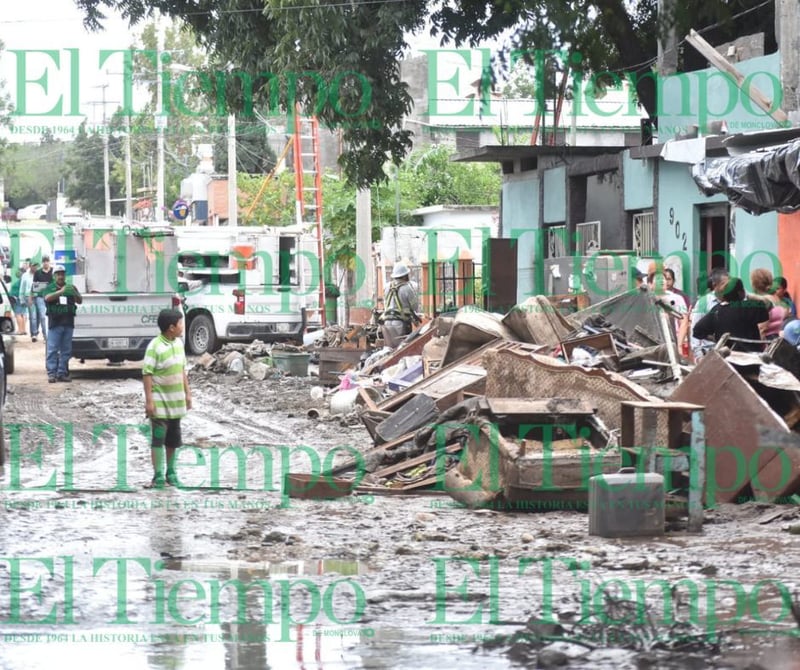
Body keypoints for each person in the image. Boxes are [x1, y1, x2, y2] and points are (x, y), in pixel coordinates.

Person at [142, 309, 192, 488]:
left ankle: (171, 472)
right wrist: (149, 401)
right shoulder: (155, 346)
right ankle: (158, 476)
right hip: (160, 402)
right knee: (158, 438)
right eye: (180, 324)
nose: (182, 327)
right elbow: (147, 373)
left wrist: (188, 393)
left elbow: (182, 370)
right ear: (171, 328)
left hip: (176, 401)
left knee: (173, 439)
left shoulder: (178, 344)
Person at [693, 276, 770, 353]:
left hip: (726, 357)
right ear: (740, 292)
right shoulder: (753, 307)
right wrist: (750, 296)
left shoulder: (717, 311)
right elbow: (769, 305)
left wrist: (718, 339)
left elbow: (697, 331)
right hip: (753, 357)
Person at [44, 264, 83, 382]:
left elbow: (80, 300)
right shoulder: (49, 287)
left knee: (66, 351)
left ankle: (62, 373)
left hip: (68, 323)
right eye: (58, 274)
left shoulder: (71, 287)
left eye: (62, 274)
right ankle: (51, 373)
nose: (61, 276)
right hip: (55, 324)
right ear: (54, 276)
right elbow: (47, 298)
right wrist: (61, 292)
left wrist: (74, 293)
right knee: (52, 350)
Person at [379, 262, 421, 348]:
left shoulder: (387, 287)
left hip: (386, 323)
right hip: (400, 323)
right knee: (401, 348)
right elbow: (415, 307)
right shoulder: (407, 288)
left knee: (389, 348)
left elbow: (385, 302)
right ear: (405, 275)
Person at [750, 268, 788, 340]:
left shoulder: (761, 303)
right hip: (775, 341)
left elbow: (762, 329)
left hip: (765, 344)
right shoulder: (776, 299)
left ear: (753, 284)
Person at [32, 254, 53, 341]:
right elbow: (34, 286)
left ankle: (50, 334)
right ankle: (46, 336)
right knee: (43, 316)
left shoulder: (53, 271)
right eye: (44, 261)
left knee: (51, 316)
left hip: (51, 297)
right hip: (40, 297)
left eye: (47, 261)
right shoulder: (38, 272)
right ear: (42, 262)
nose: (45, 263)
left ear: (49, 262)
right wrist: (32, 296)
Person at [20, 260, 38, 341]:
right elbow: (22, 287)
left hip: (38, 297)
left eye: (36, 266)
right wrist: (22, 299)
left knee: (40, 316)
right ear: (30, 266)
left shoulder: (38, 274)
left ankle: (35, 332)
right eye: (33, 266)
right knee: (33, 316)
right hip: (28, 297)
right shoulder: (25, 275)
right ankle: (34, 334)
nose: (35, 267)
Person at [9, 264, 28, 334]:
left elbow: (15, 291)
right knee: (23, 313)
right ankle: (24, 330)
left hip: (18, 299)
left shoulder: (20, 281)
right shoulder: (26, 280)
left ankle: (20, 330)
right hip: (25, 298)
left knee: (18, 314)